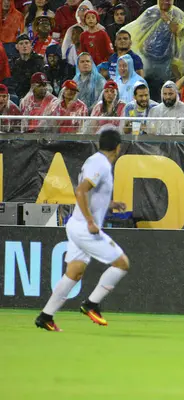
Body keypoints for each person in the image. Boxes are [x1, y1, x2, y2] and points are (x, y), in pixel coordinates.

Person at [35, 127, 130, 332]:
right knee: (122, 263)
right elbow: (81, 190)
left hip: (75, 225)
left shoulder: (94, 160)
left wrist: (110, 204)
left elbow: (90, 193)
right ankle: (91, 304)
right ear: (118, 147)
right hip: (83, 227)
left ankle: (45, 316)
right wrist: (90, 221)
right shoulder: (102, 164)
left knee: (74, 272)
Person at [122, 0, 184, 94]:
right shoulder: (150, 12)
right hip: (147, 57)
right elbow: (138, 30)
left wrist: (168, 20)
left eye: (168, 0)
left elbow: (181, 34)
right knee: (144, 87)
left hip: (167, 61)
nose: (166, 2)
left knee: (164, 90)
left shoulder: (178, 14)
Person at [10, 34, 46, 99]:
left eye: (26, 43)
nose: (24, 46)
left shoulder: (39, 60)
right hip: (18, 95)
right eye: (21, 44)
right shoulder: (13, 62)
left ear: (31, 45)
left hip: (36, 94)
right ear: (17, 47)